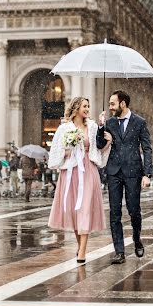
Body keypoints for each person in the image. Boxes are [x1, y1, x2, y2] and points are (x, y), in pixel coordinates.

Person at [97, 90, 152, 264]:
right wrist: (100, 128)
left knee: (134, 210)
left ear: (123, 104)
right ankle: (119, 251)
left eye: (113, 104)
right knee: (115, 213)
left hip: (133, 172)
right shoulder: (109, 123)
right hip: (114, 172)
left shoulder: (139, 122)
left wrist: (147, 174)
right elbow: (99, 145)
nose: (110, 107)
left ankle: (136, 239)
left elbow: (147, 148)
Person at [48, 97, 105, 264]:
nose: (87, 109)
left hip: (88, 170)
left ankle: (83, 251)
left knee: (85, 207)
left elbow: (99, 146)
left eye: (89, 106)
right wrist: (65, 152)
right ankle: (80, 245)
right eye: (85, 106)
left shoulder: (93, 126)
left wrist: (103, 127)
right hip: (70, 171)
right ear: (76, 108)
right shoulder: (64, 128)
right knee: (74, 210)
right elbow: (56, 149)